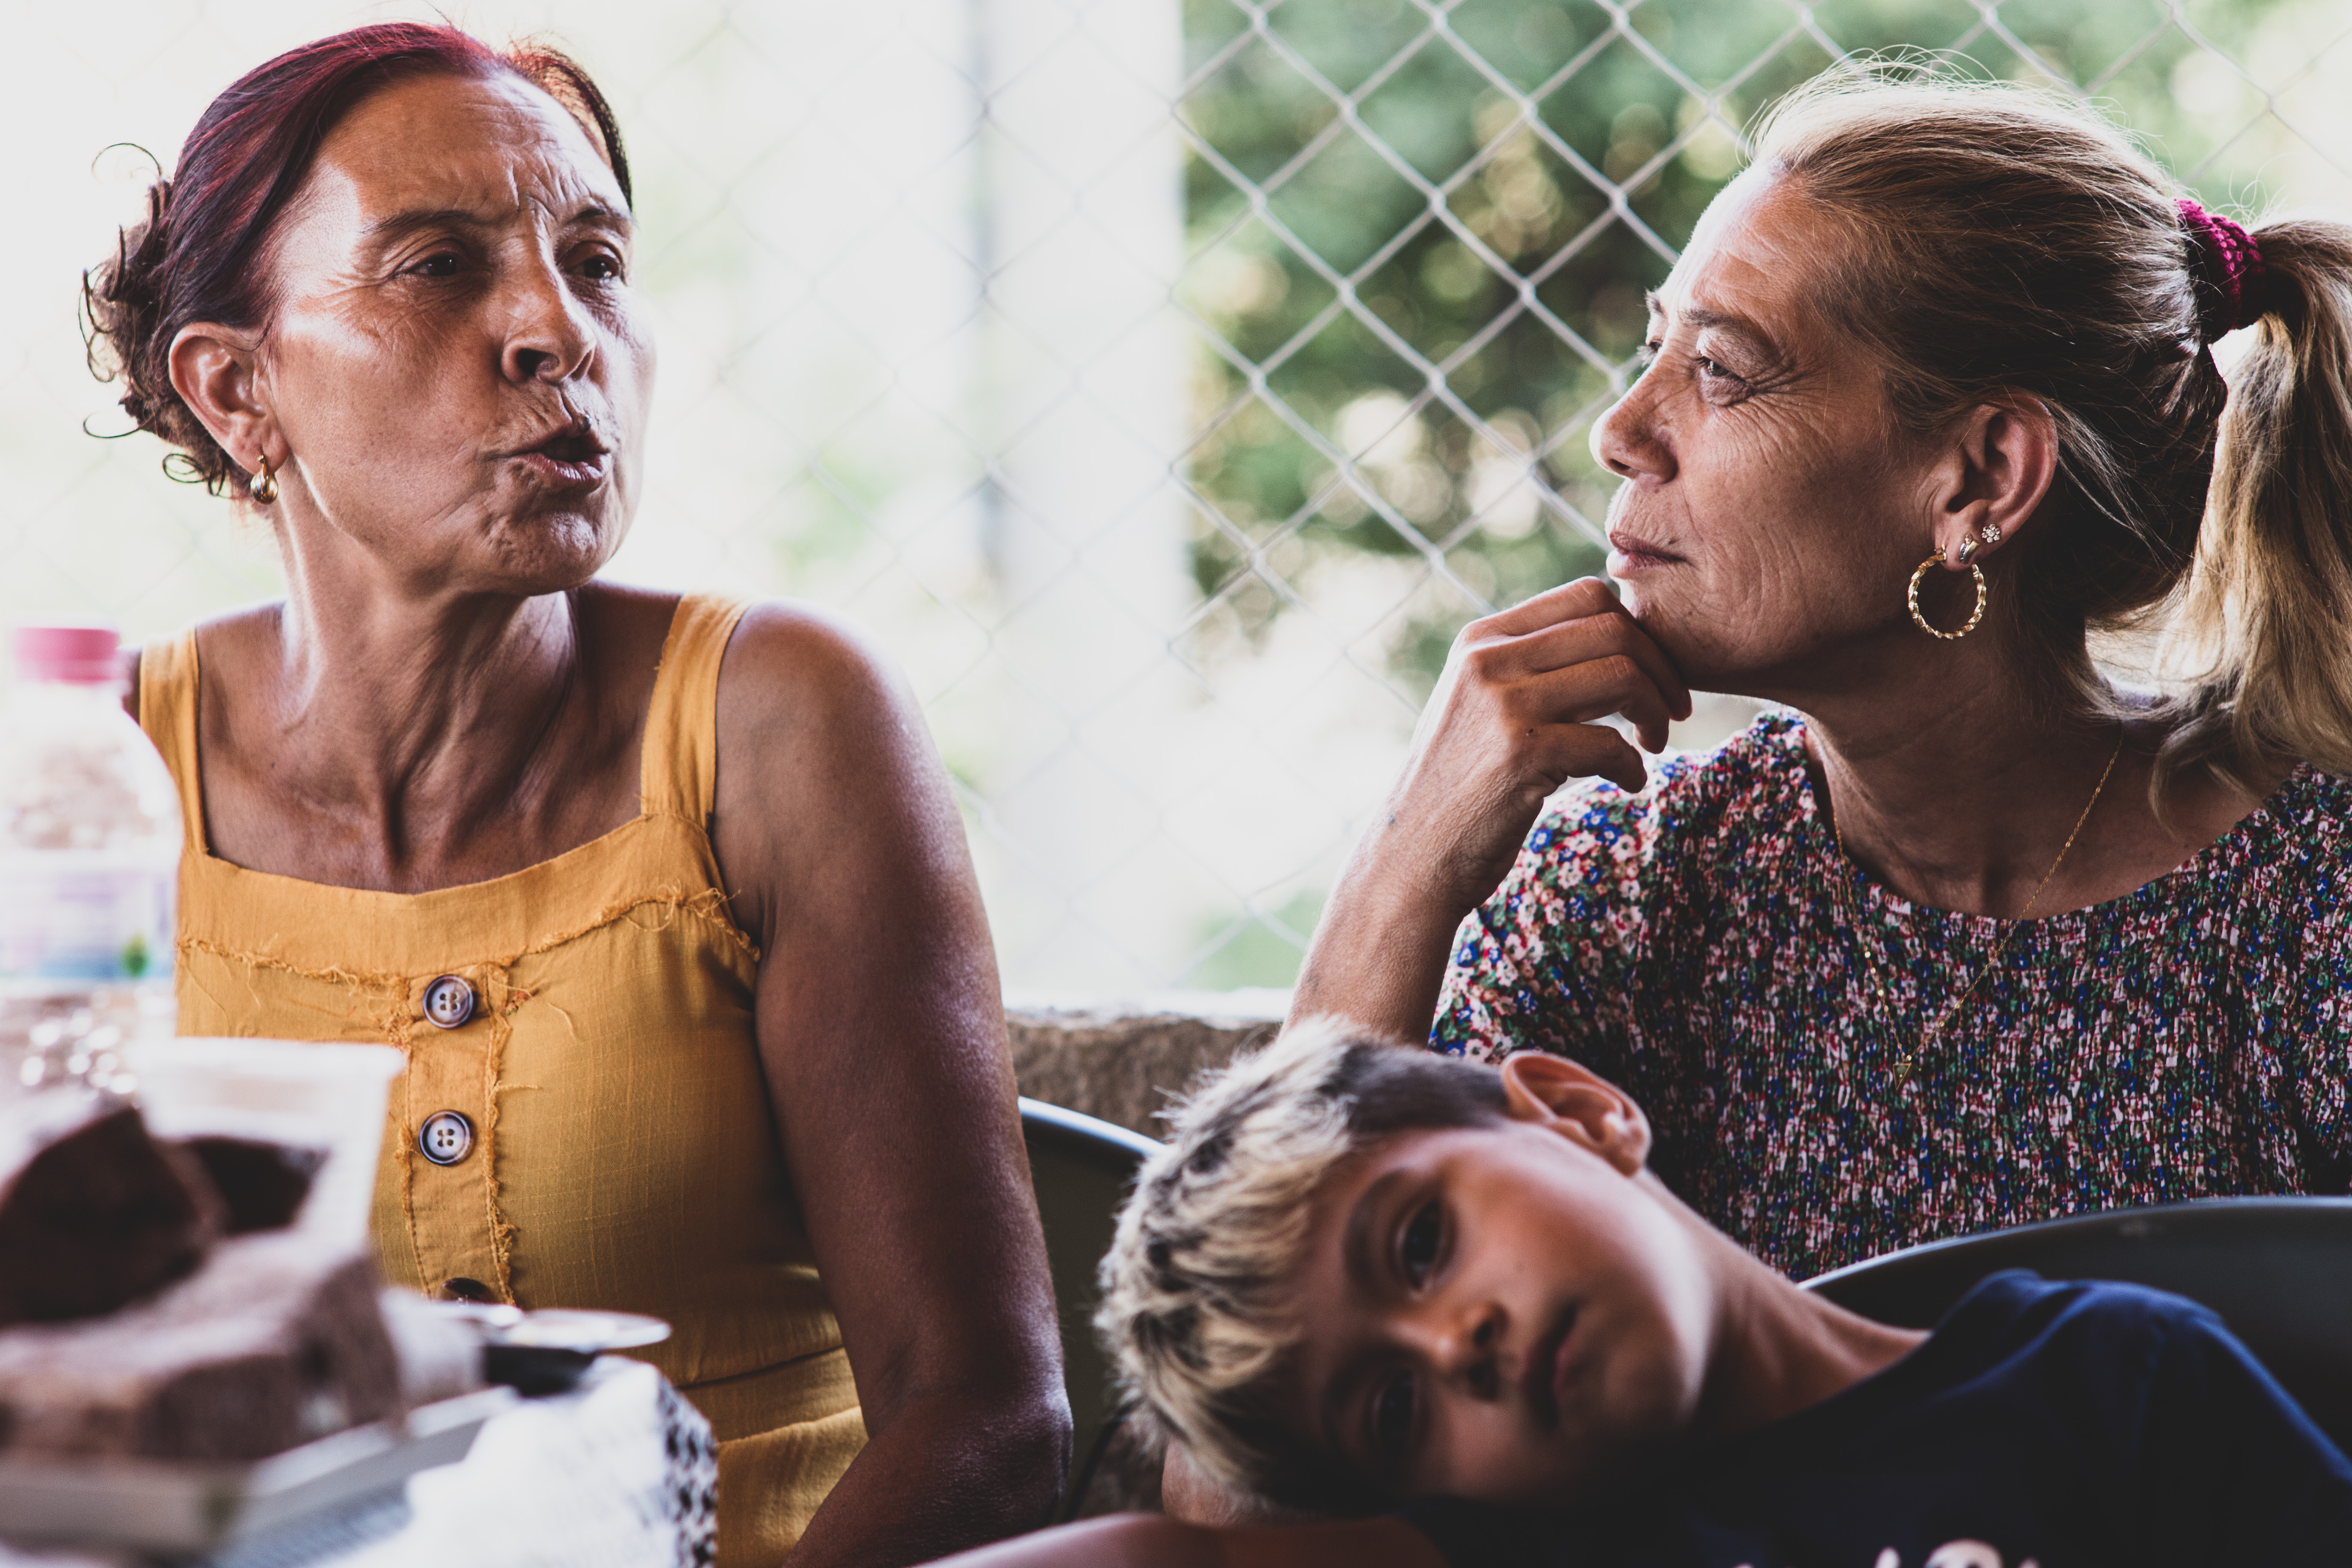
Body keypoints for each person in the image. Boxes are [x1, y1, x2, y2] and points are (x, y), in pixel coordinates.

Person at [82, 24, 1067, 1565]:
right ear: (235, 391)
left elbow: (988, 1419)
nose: (557, 328)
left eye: (598, 262)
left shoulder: (779, 726)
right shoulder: (92, 783)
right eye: (438, 268)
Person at [1290, 65, 2352, 1282]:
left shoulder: (2314, 915)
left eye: (1724, 370)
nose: (1620, 432)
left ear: (1980, 479)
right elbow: (1243, 1460)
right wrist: (1398, 877)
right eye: (1653, 347)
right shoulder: (1630, 901)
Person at [924, 1021, 2352, 1568]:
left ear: (1575, 1112)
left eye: (1419, 1246)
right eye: (1393, 1407)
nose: (1456, 1346)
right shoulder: (1563, 1548)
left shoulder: (2094, 1379)